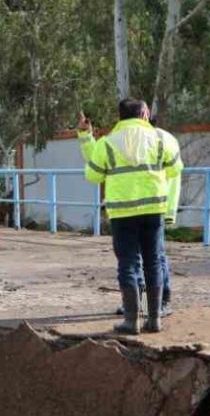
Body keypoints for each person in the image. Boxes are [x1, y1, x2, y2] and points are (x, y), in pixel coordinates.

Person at [78, 98, 183, 335]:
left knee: (128, 263)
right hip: (153, 209)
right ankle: (154, 319)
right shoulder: (162, 138)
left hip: (122, 212)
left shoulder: (108, 142)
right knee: (153, 261)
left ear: (119, 116)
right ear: (144, 113)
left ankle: (131, 321)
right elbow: (175, 169)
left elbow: (93, 176)